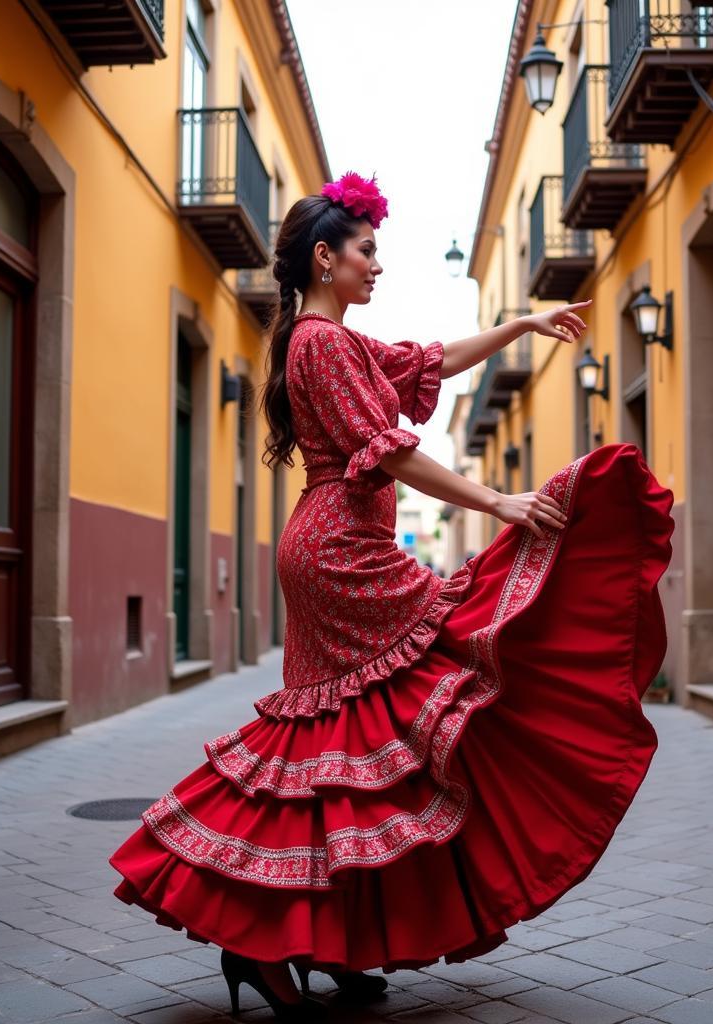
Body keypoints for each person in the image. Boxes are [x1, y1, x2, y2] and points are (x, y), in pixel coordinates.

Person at [108, 172, 675, 1021]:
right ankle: (270, 938)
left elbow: (430, 361)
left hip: (335, 543)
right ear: (326, 257)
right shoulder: (322, 344)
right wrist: (499, 502)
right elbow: (391, 450)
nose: (377, 266)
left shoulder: (329, 339)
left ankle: (307, 938)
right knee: (452, 665)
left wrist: (521, 323)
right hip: (344, 551)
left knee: (343, 745)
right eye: (367, 252)